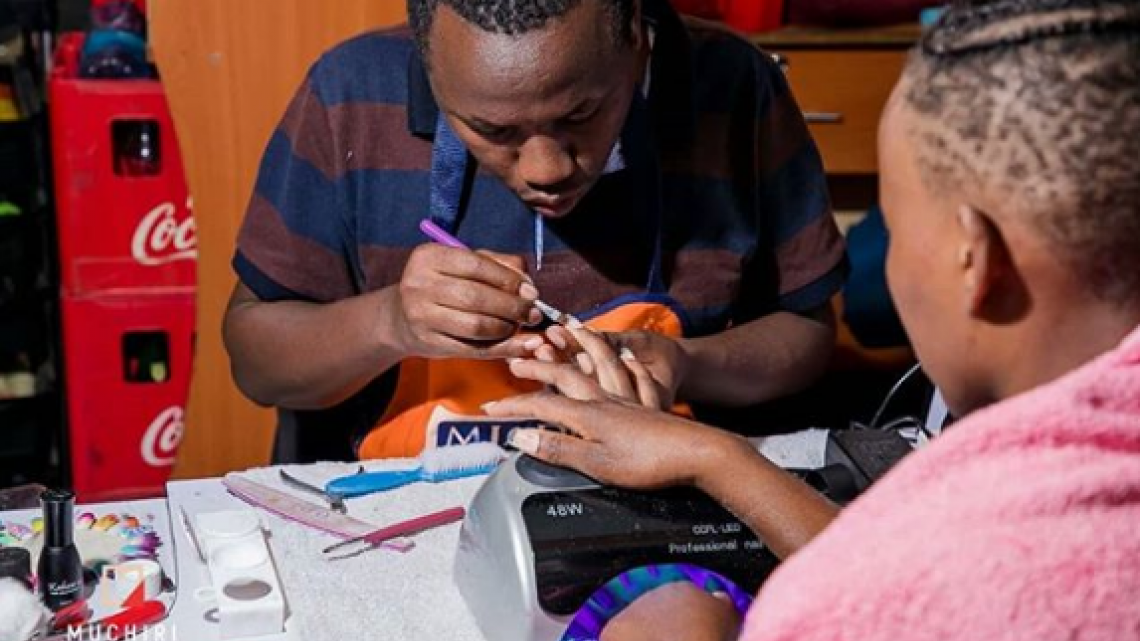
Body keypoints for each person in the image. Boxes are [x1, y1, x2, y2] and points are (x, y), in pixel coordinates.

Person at [487, 0, 1140, 638]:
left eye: (894, 220)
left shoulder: (841, 606)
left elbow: (902, 590)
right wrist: (712, 457)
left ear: (976, 258)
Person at [222, 0, 847, 461]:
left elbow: (808, 332)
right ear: (430, 71)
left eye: (582, 112)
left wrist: (688, 364)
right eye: (493, 131)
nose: (546, 170)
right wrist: (389, 323)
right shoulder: (349, 96)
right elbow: (256, 364)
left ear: (635, 35)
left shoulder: (735, 87)